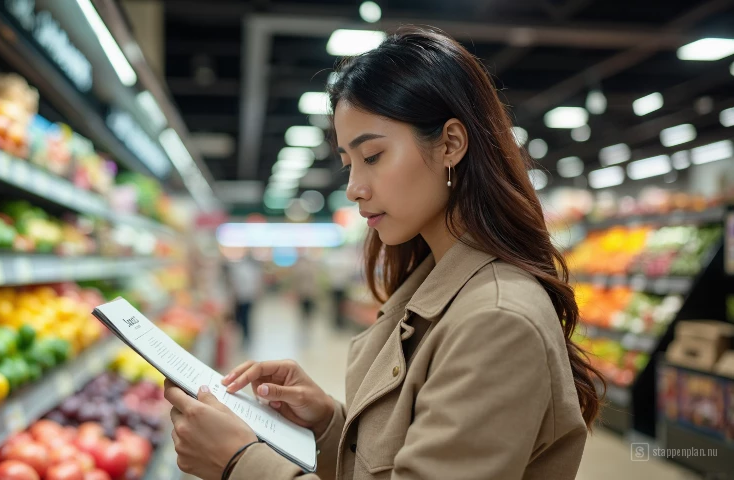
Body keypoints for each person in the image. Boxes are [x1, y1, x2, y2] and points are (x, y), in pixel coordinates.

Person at [163, 26, 603, 480]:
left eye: (372, 156)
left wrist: (240, 462)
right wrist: (328, 424)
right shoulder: (434, 287)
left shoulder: (496, 319)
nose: (353, 188)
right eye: (348, 164)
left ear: (451, 143)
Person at [227, 254, 263, 346]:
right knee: (242, 317)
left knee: (245, 317)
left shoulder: (250, 269)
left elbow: (256, 283)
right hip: (241, 297)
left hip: (247, 297)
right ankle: (244, 335)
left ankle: (246, 336)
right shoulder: (241, 269)